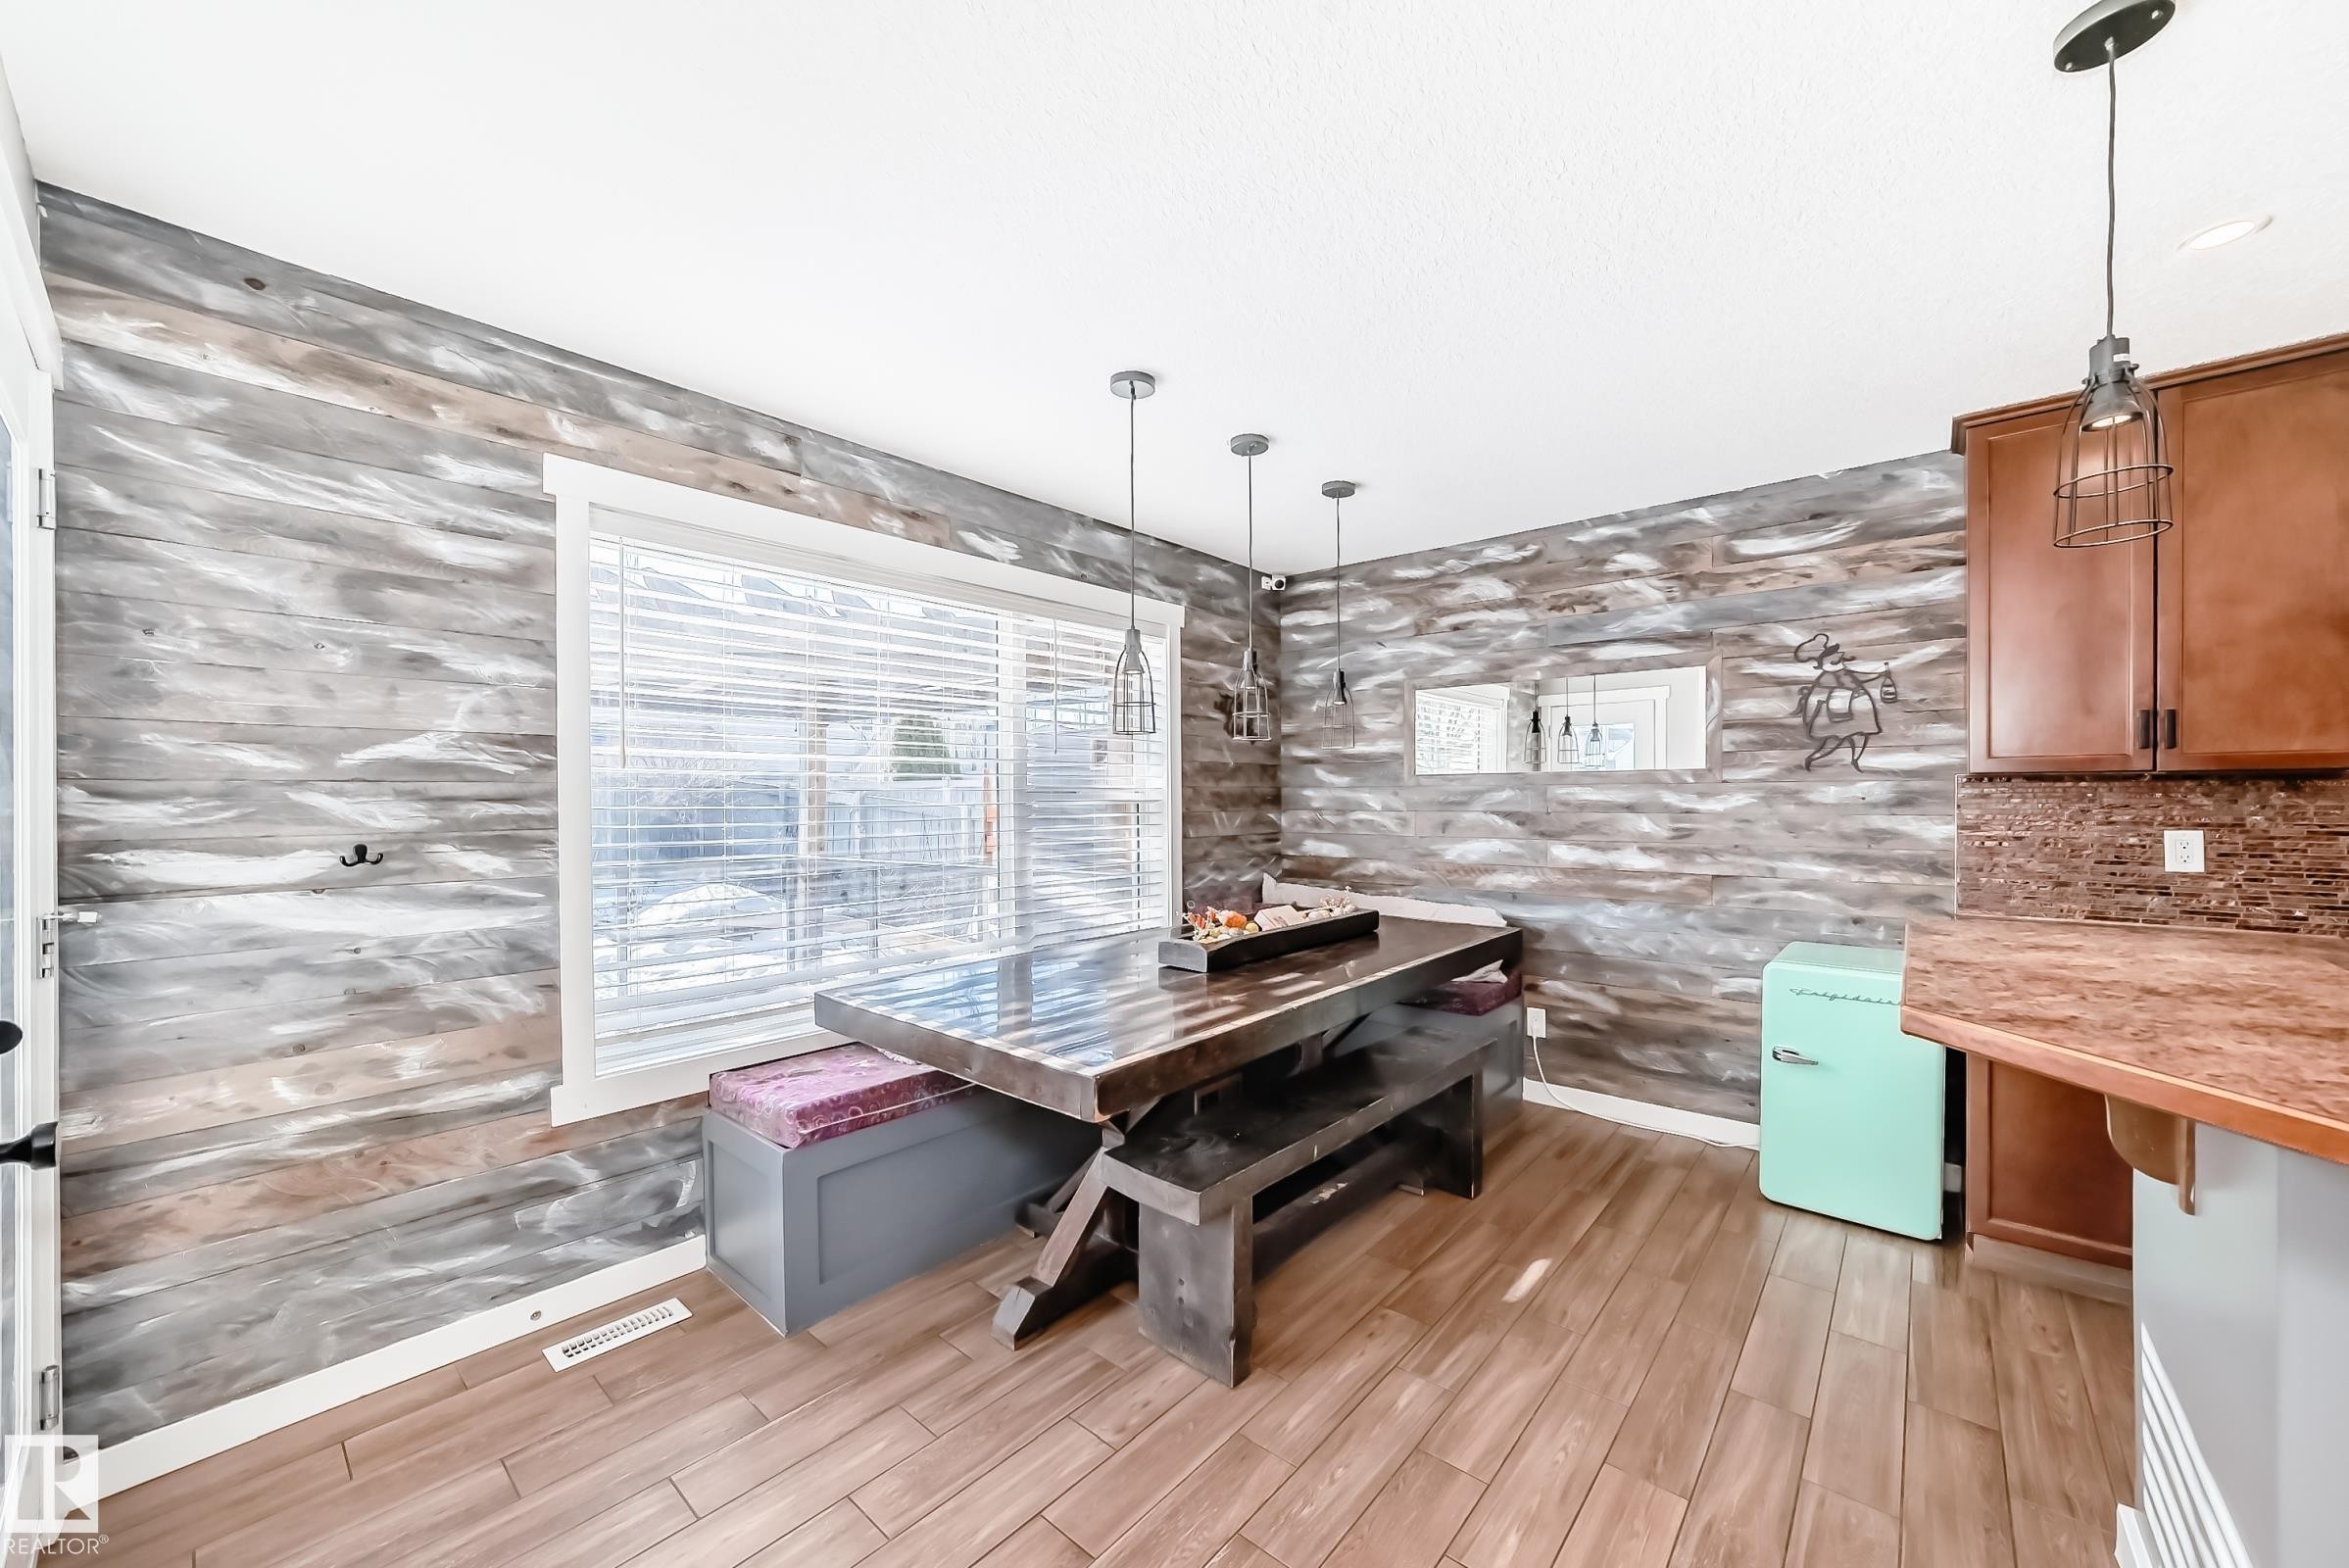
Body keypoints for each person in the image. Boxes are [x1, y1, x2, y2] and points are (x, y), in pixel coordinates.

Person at [1792, 632, 1884, 770]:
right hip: (1839, 715)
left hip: (1857, 712)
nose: (1839, 655)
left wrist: (1879, 674)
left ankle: (1855, 760)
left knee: (1861, 736)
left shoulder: (1844, 672)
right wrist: (1810, 719)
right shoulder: (1827, 678)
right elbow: (1816, 699)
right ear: (1828, 661)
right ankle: (1813, 758)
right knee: (1834, 741)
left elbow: (1862, 676)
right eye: (1835, 655)